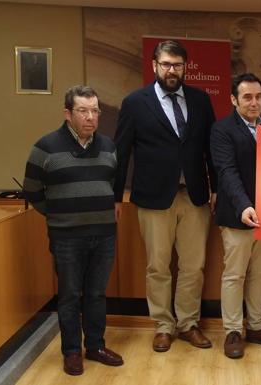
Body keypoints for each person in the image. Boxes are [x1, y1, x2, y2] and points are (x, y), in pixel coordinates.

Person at [114, 40, 216, 352]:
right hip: (153, 198)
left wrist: (217, 190)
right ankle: (163, 324)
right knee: (157, 267)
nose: (172, 70)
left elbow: (211, 148)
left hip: (195, 197)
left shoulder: (200, 100)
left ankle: (188, 323)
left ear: (186, 67)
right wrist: (115, 197)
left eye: (178, 65)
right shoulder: (135, 102)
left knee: (193, 265)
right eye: (166, 64)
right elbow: (121, 151)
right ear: (155, 66)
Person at [23, 85, 123, 376]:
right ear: (68, 113)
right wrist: (57, 214)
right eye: (83, 110)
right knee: (69, 295)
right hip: (66, 237)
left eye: (95, 111)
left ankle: (95, 345)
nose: (90, 117)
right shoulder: (45, 147)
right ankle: (71, 352)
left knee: (96, 294)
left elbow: (113, 183)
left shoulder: (108, 146)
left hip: (104, 235)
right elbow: (32, 191)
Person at [211, 73, 261, 359]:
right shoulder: (222, 130)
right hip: (237, 216)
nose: (254, 102)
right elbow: (226, 172)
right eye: (247, 97)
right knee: (235, 274)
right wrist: (244, 205)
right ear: (234, 100)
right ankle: (233, 330)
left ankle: (257, 326)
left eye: (258, 97)